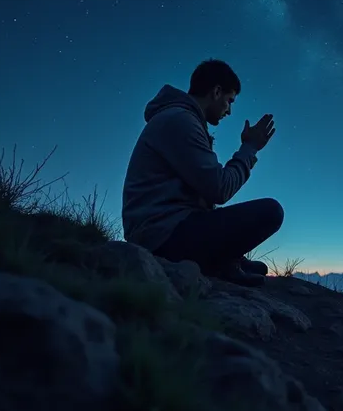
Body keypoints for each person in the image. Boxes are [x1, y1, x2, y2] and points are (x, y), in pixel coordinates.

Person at [121, 58, 283, 287]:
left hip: (165, 228)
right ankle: (215, 264)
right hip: (162, 236)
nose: (229, 110)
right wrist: (249, 149)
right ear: (216, 92)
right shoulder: (181, 122)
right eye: (229, 101)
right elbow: (220, 188)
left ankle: (222, 261)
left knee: (261, 267)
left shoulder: (181, 120)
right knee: (271, 211)